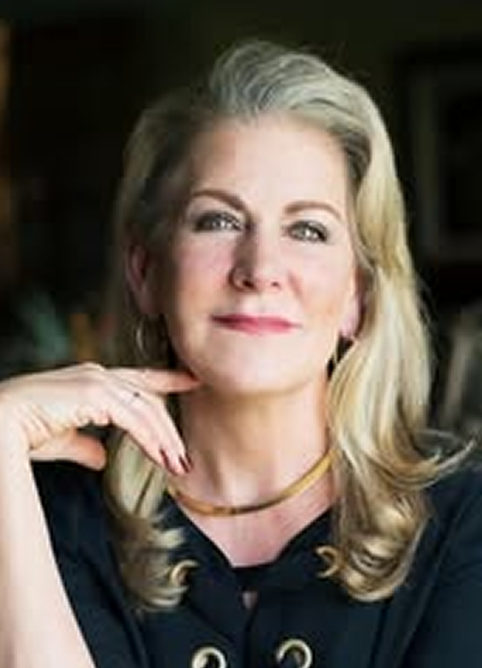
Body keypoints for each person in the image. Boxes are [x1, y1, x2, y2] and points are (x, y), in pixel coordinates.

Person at [0, 39, 481, 668]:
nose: (260, 269)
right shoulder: (46, 513)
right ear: (145, 272)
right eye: (218, 221)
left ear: (357, 295)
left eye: (308, 229)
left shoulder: (460, 524)